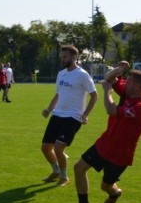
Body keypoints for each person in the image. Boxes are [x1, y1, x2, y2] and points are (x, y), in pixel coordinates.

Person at [69, 61, 141, 203]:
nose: (125, 83)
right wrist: (120, 69)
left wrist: (107, 92)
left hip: (120, 153)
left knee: (106, 186)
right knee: (78, 168)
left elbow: (111, 110)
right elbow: (108, 79)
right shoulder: (127, 93)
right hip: (104, 143)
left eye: (129, 82)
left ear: (137, 88)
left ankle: (114, 194)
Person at [40, 45, 99, 186]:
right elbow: (58, 94)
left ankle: (64, 177)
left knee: (59, 148)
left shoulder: (82, 75)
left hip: (73, 117)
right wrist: (49, 109)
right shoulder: (61, 74)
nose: (63, 59)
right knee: (45, 148)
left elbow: (94, 96)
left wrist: (85, 115)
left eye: (65, 56)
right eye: (62, 56)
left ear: (74, 57)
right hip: (57, 114)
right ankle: (56, 171)